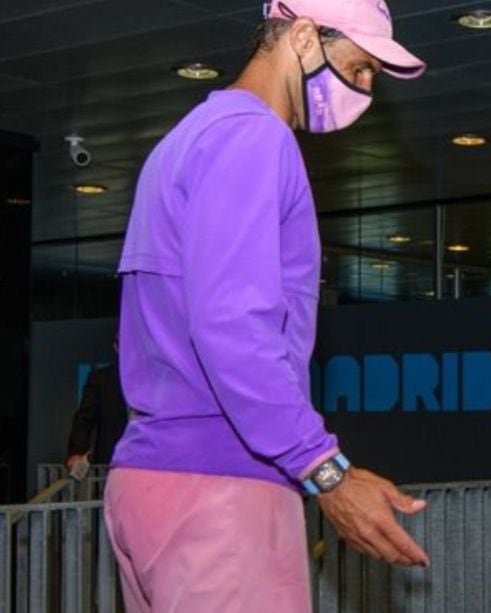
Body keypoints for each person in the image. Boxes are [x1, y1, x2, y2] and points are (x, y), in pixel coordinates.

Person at [104, 1, 429, 610]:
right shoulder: (255, 139)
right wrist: (324, 469)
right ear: (304, 38)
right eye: (359, 68)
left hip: (151, 485)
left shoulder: (185, 141)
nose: (363, 90)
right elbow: (232, 326)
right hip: (221, 491)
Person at [66, 337, 129, 479]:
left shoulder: (155, 379)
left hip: (148, 467)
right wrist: (78, 452)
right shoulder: (101, 379)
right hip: (110, 466)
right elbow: (84, 419)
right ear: (116, 347)